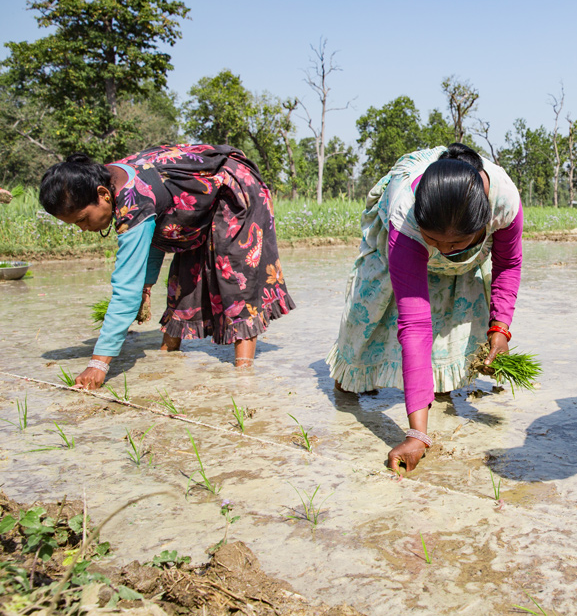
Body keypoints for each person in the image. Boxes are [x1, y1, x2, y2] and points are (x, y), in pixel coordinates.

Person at [326, 143, 523, 475]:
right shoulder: (405, 215)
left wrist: (500, 326)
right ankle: (353, 381)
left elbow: (508, 265)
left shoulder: (504, 203)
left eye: (456, 244)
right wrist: (417, 435)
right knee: (364, 340)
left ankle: (435, 385)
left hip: (462, 248)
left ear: (483, 225)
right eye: (435, 241)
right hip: (401, 242)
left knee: (452, 307)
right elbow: (414, 325)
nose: (444, 250)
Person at [40, 145, 295, 389]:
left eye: (83, 219)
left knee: (235, 273)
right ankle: (169, 353)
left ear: (103, 195)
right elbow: (155, 231)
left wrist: (98, 363)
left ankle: (243, 376)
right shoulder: (107, 178)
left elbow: (125, 290)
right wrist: (147, 285)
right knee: (184, 272)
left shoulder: (131, 200)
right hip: (194, 204)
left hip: (235, 187)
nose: (83, 228)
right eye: (75, 224)